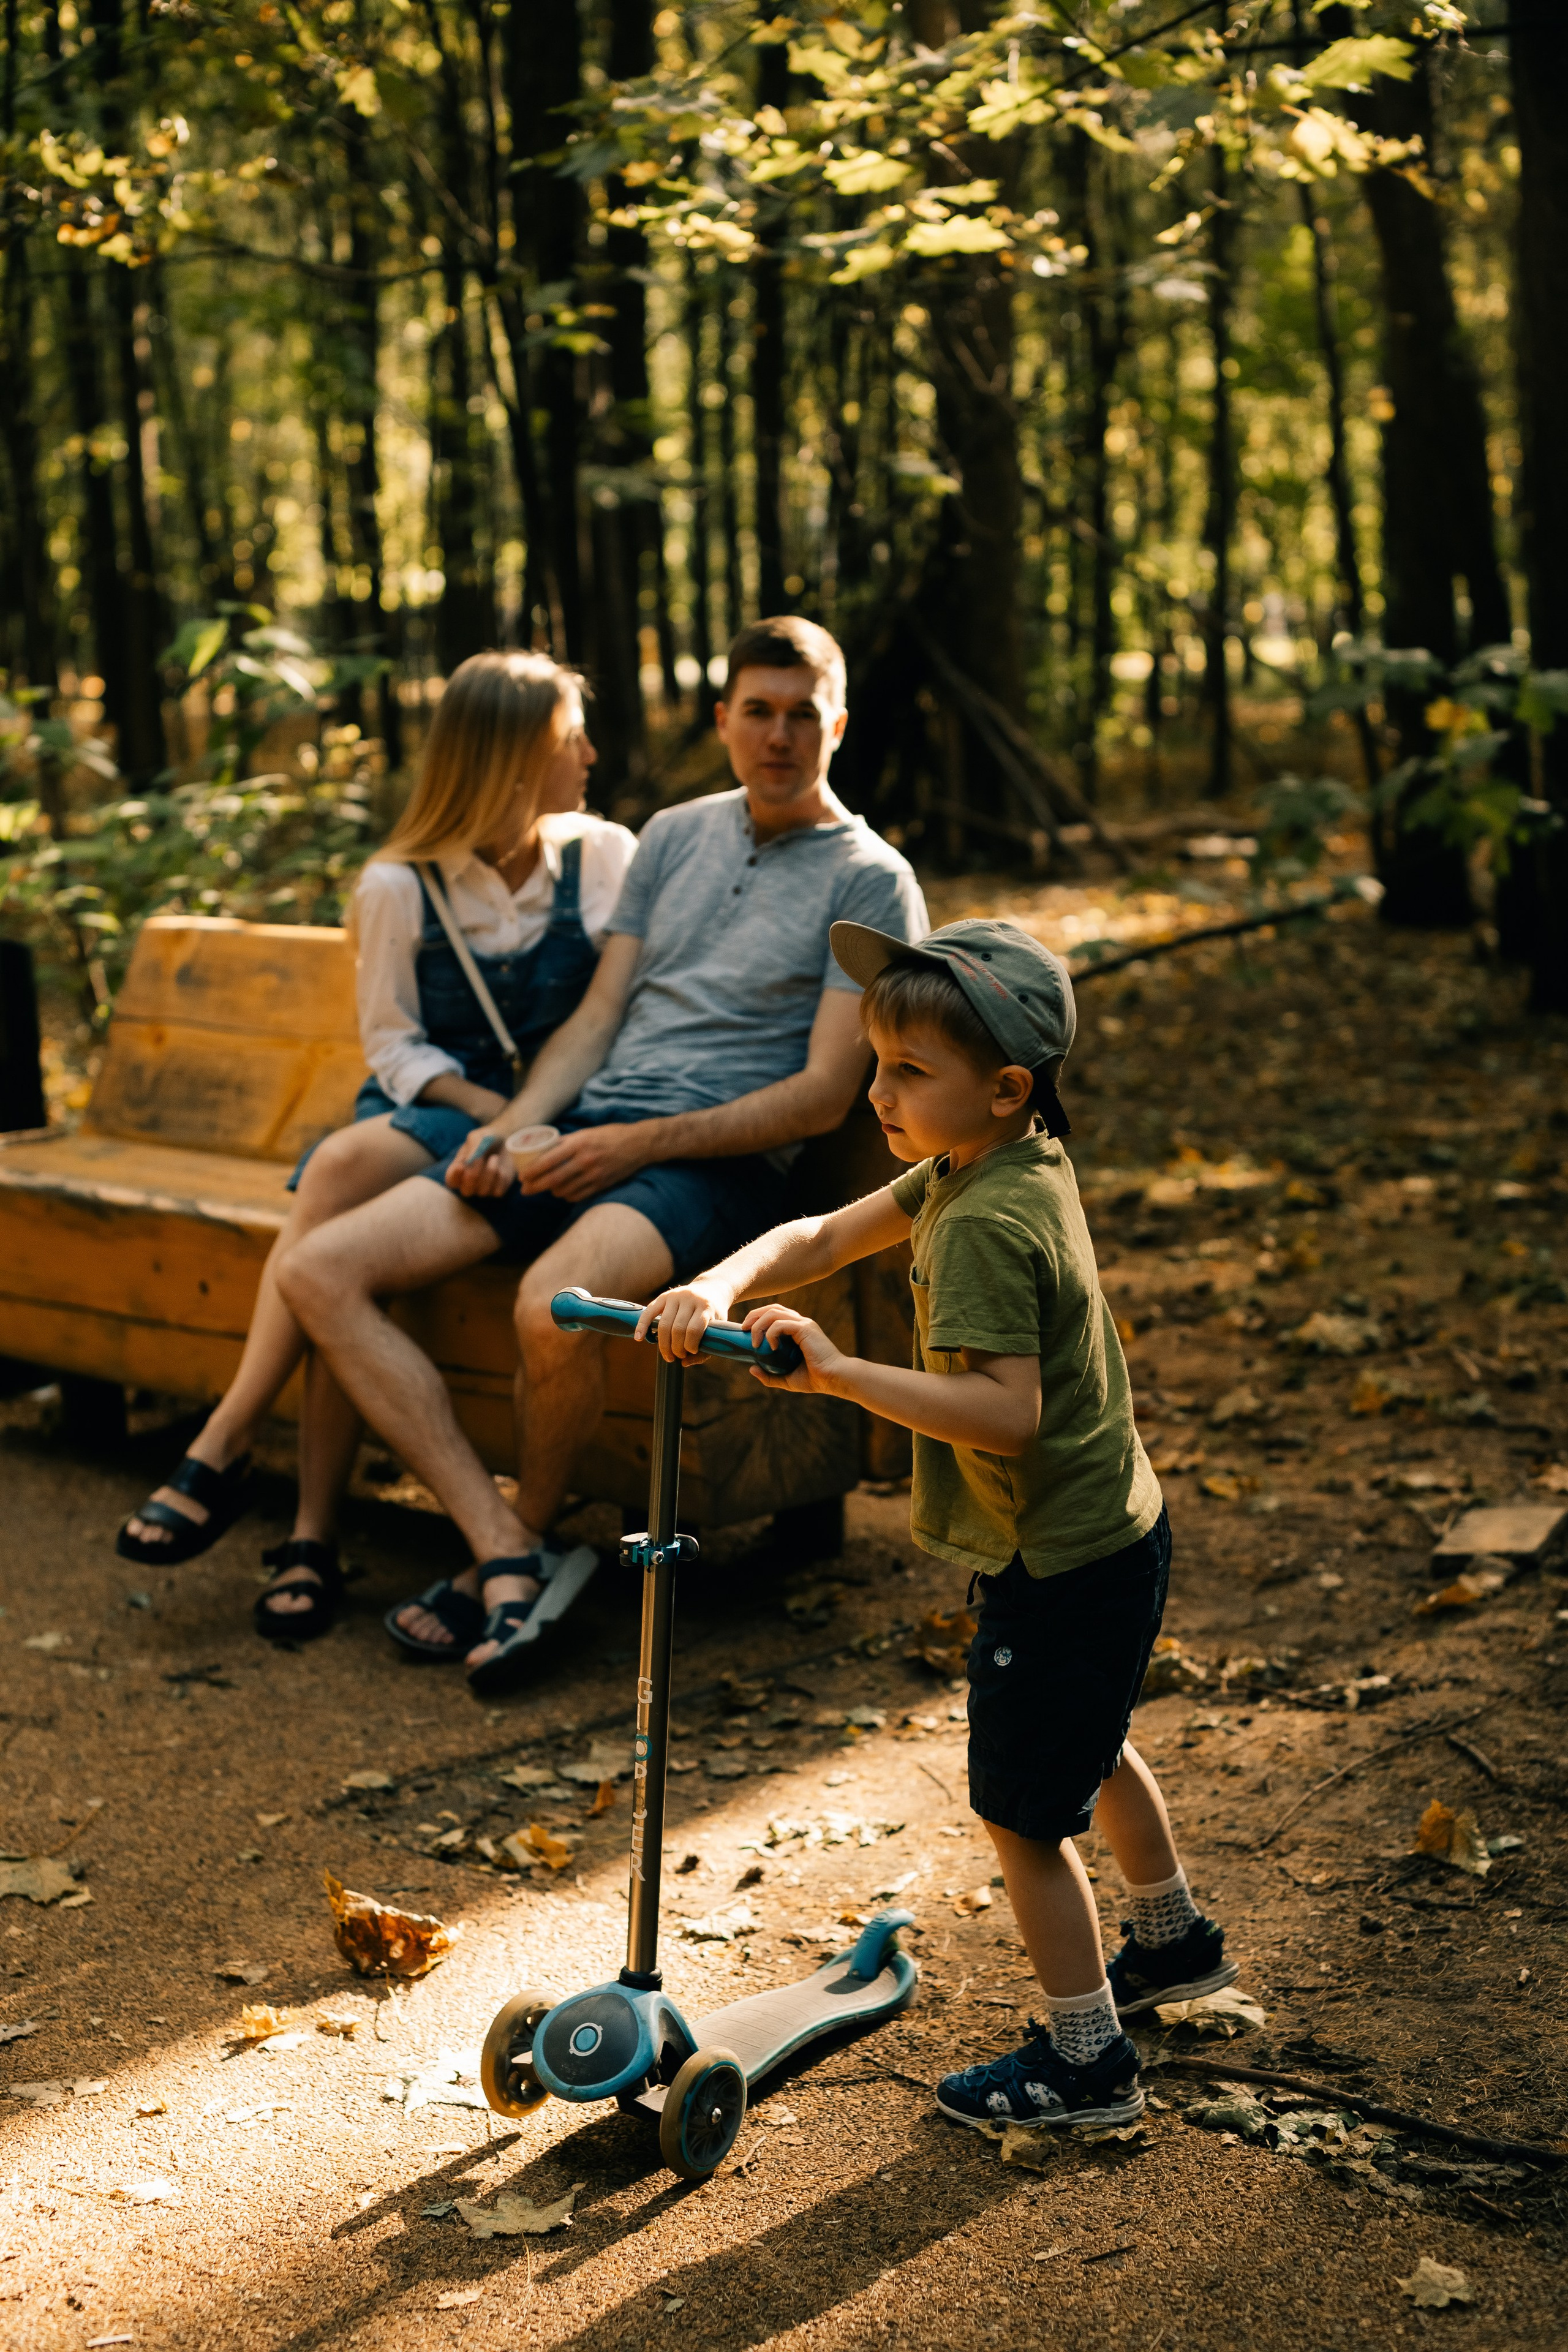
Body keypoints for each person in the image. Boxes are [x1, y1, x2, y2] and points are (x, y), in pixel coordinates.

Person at [636, 915, 1238, 2131]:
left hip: (1060, 1560)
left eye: (909, 1072)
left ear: (1005, 1086)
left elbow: (1003, 1414)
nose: (878, 1092)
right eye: (877, 1062)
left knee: (1022, 1816)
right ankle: (1173, 1946)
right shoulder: (995, 1161)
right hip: (1112, 1534)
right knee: (1089, 1742)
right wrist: (722, 1284)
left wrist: (838, 1375)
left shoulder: (978, 1223)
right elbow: (814, 1234)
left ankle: (1087, 2066)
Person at [274, 616, 928, 1695]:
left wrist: (636, 1140)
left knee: (550, 1305)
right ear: (722, 721)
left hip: (710, 1164)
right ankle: (504, 1547)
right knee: (318, 1269)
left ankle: (522, 1537)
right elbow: (598, 1015)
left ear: (838, 724)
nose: (779, 737)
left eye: (802, 714)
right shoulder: (672, 835)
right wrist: (516, 1126)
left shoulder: (871, 878)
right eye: (756, 712)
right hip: (589, 1131)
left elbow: (819, 1097)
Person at [116, 652, 636, 1648]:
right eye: (574, 737)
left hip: (557, 1116)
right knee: (346, 1169)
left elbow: (617, 1011)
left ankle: (268, 1489)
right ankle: (281, 1497)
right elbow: (395, 1045)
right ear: (517, 760)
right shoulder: (399, 885)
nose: (593, 756)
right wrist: (488, 1109)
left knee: (336, 1185)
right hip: (443, 1103)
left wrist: (527, 1118)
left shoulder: (601, 853)